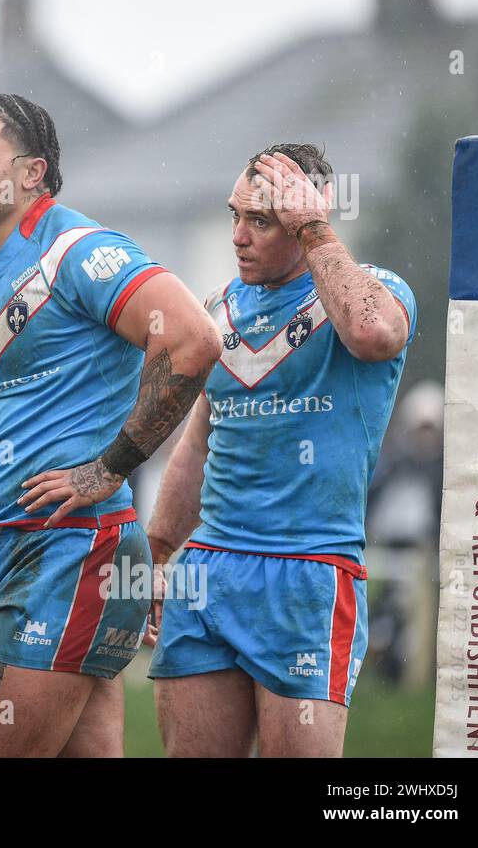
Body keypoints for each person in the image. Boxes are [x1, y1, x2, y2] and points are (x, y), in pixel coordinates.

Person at [0, 93, 220, 757]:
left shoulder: (77, 250)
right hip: (14, 546)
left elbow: (191, 339)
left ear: (31, 173)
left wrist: (108, 467)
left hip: (76, 550)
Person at [146, 145, 416, 757]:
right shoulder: (215, 311)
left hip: (308, 572)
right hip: (209, 568)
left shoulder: (373, 292)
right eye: (234, 216)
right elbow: (197, 444)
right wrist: (159, 555)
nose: (238, 236)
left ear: (305, 223)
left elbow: (375, 336)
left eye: (261, 221)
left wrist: (315, 225)